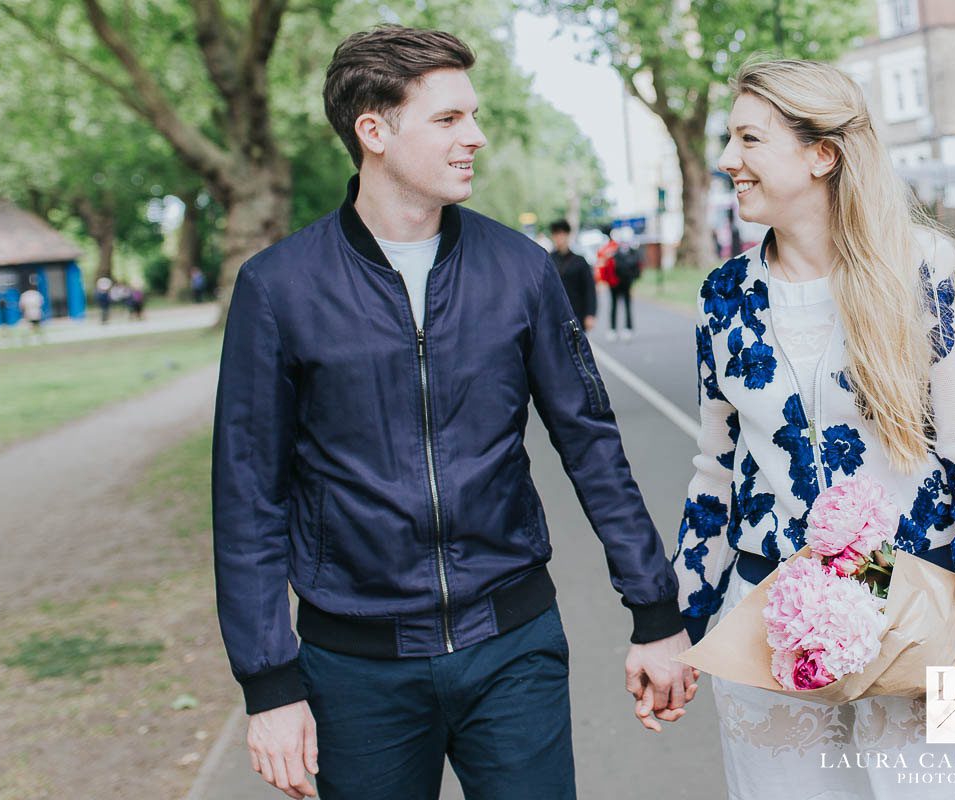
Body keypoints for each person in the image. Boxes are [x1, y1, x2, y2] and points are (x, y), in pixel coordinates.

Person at [212, 25, 696, 800]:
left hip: (513, 648)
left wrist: (655, 612)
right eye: (447, 120)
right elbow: (248, 498)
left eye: (471, 116)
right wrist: (270, 685)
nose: (475, 136)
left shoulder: (522, 271)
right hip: (355, 668)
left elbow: (592, 447)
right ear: (373, 131)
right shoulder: (278, 289)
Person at [673, 58, 955, 799]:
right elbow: (715, 474)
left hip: (924, 628)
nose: (728, 160)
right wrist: (678, 628)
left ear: (822, 155)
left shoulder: (928, 271)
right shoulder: (724, 294)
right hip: (771, 631)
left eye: (749, 139)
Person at [548, 219, 596, 331]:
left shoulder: (580, 261)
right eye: (556, 234)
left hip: (576, 312)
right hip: (554, 314)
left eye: (562, 234)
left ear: (568, 235)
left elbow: (589, 289)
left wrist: (590, 314)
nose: (559, 238)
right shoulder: (548, 260)